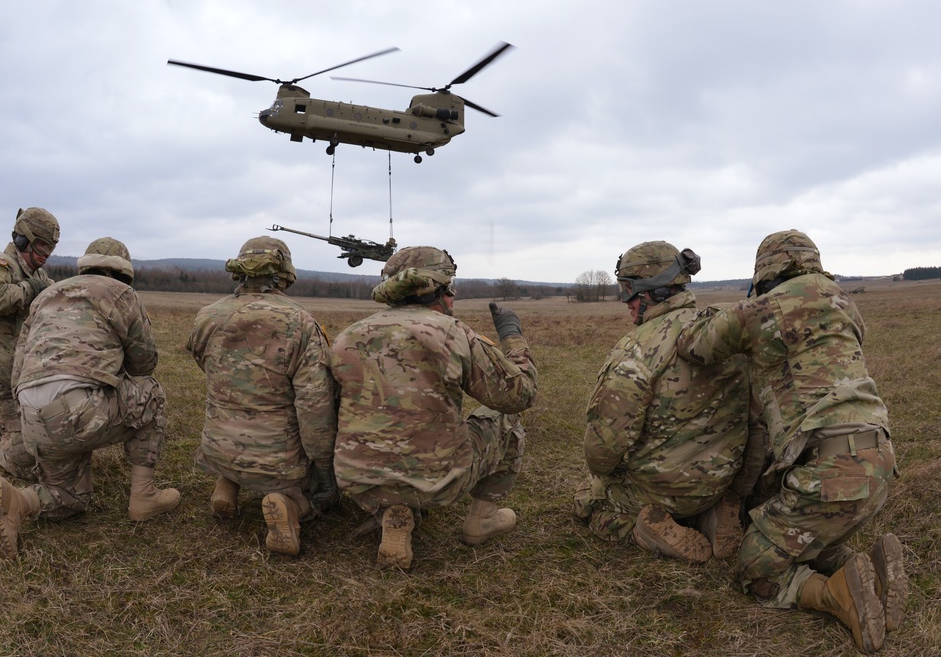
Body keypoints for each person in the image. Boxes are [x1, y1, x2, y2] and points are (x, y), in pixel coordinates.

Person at [677, 229, 906, 653]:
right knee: (805, 539)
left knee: (755, 566)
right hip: (880, 460)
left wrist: (715, 315)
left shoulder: (760, 309)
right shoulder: (845, 302)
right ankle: (865, 572)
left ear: (765, 272)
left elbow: (695, 347)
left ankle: (839, 597)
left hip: (830, 473)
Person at [331, 246, 538, 569]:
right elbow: (518, 396)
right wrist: (513, 338)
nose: (453, 298)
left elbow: (326, 413)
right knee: (503, 419)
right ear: (439, 291)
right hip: (439, 483)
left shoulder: (347, 337)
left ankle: (393, 511)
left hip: (360, 485)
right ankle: (481, 519)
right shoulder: (454, 334)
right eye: (451, 289)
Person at [0, 237, 180, 560]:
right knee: (152, 394)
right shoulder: (122, 295)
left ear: (85, 266)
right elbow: (144, 365)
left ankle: (18, 502)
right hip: (79, 410)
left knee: (70, 498)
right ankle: (144, 495)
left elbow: (17, 370)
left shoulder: (44, 297)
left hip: (32, 415)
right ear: (124, 273)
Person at [573, 241, 750, 563]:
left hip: (664, 487)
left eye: (627, 290)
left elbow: (603, 446)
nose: (624, 301)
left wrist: (602, 475)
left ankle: (642, 528)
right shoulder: (721, 330)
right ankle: (710, 513)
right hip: (723, 477)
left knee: (590, 499)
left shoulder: (638, 348)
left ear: (649, 291)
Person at [186, 236, 338, 556]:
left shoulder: (207, 316)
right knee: (308, 491)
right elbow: (314, 404)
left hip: (217, 446)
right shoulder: (299, 321)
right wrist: (324, 463)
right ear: (284, 272)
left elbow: (206, 365)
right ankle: (287, 504)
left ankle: (227, 485)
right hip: (277, 460)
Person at [0, 207, 59, 479]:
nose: (46, 254)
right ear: (22, 240)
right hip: (2, 376)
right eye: (41, 246)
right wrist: (30, 290)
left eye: (50, 248)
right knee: (30, 460)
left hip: (25, 376)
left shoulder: (37, 275)